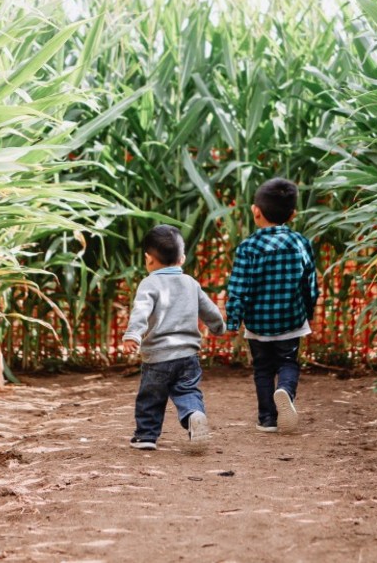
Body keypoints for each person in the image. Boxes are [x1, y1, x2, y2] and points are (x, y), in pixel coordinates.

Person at [225, 177, 318, 433]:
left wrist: (233, 320)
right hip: (291, 319)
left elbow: (238, 288)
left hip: (258, 323)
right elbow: (309, 283)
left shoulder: (248, 248)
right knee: (288, 363)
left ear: (256, 211)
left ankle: (267, 419)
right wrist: (308, 312)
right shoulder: (300, 243)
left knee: (262, 368)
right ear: (293, 214)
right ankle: (285, 390)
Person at [123, 224, 226, 452]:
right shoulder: (191, 283)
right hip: (188, 355)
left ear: (148, 259)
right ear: (182, 258)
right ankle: (193, 415)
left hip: (158, 356)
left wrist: (133, 335)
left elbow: (141, 310)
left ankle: (146, 437)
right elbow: (209, 309)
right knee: (188, 391)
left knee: (151, 396)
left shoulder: (149, 283)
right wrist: (219, 327)